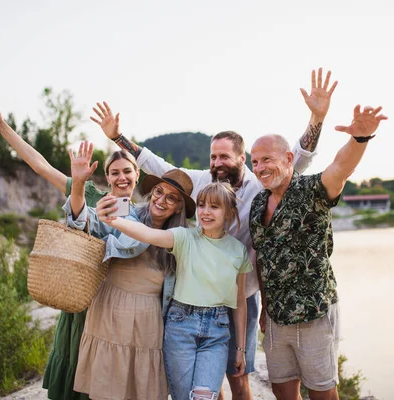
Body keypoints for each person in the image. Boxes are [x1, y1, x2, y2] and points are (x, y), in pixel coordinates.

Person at [92, 68, 338, 400]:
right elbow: (158, 167)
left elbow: (300, 155)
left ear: (242, 158)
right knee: (205, 378)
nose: (217, 162)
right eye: (212, 156)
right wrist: (117, 137)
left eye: (224, 156)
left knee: (238, 374)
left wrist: (316, 117)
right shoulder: (203, 180)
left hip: (241, 294)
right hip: (196, 293)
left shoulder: (260, 186)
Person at [0, 103, 138, 400]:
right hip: (81, 304)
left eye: (127, 171)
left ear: (137, 174)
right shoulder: (89, 193)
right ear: (105, 176)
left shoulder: (145, 215)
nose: (121, 178)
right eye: (114, 172)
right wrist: (3, 128)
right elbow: (39, 165)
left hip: (116, 313)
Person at [249, 105, 388, 400]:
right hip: (275, 316)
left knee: (322, 392)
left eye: (266, 159)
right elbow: (262, 259)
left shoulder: (312, 190)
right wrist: (263, 308)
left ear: (289, 159)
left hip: (314, 311)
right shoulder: (258, 204)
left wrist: (359, 139)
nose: (259, 167)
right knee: (282, 390)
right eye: (255, 162)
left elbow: (341, 167)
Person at [102, 178, 252, 400]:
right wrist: (112, 220)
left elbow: (240, 301)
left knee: (204, 396)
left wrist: (240, 349)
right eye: (201, 205)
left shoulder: (239, 251)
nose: (205, 212)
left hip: (217, 332)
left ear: (229, 212)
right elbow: (147, 234)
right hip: (180, 327)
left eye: (214, 206)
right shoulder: (185, 237)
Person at [65, 146, 193, 399]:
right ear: (151, 191)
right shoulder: (127, 211)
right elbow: (81, 221)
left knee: (141, 388)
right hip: (110, 306)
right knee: (107, 386)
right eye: (159, 192)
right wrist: (78, 183)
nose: (161, 200)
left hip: (149, 317)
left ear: (179, 207)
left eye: (171, 198)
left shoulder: (182, 239)